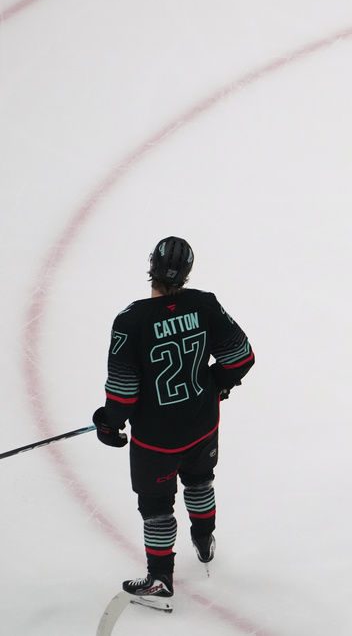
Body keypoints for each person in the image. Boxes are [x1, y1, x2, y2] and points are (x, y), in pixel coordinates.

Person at [92, 236, 255, 612]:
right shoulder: (204, 304)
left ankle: (161, 578)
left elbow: (123, 392)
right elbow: (241, 358)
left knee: (156, 505)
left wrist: (108, 423)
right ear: (187, 273)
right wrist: (216, 384)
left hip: (156, 440)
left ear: (151, 266)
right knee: (200, 480)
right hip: (202, 425)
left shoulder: (131, 320)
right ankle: (204, 540)